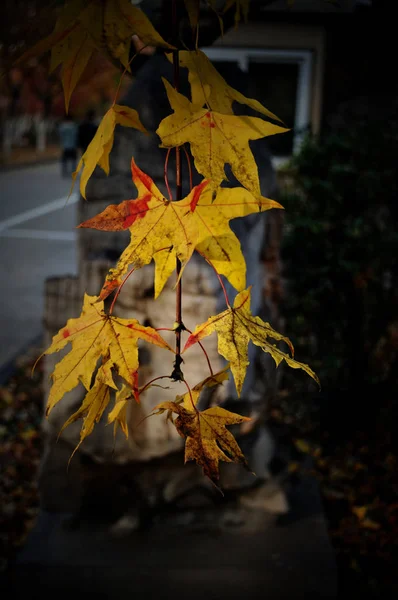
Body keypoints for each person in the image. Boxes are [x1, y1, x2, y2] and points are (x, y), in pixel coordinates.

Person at [58, 112, 78, 177]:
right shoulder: (74, 126)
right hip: (73, 145)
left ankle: (64, 172)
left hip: (65, 145)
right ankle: (73, 172)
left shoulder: (62, 127)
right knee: (73, 160)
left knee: (64, 160)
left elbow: (60, 136)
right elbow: (76, 136)